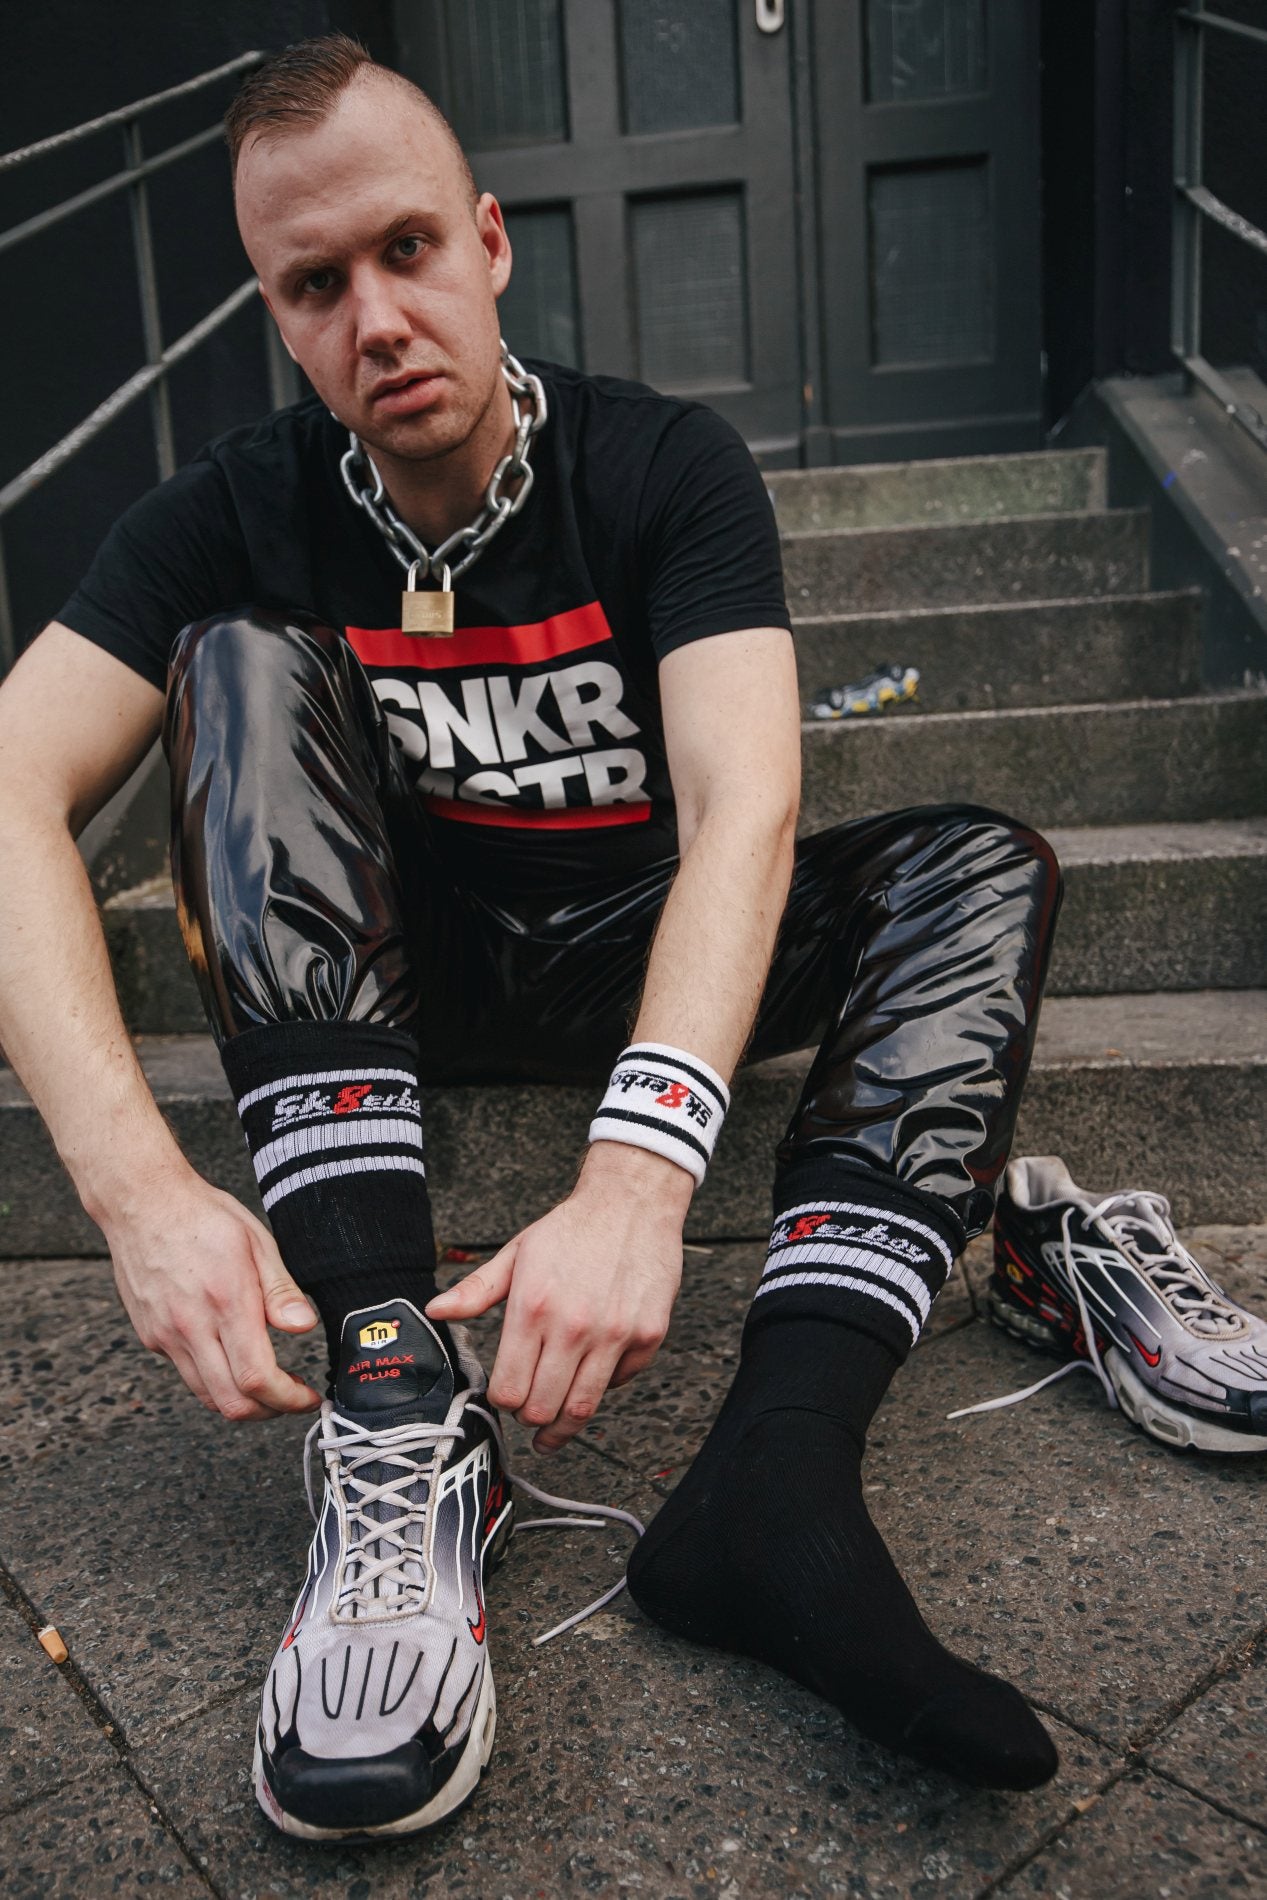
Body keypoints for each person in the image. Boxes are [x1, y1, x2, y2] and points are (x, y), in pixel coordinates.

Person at [0, 36, 1065, 1840]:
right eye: (316, 287)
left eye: (409, 249)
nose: (378, 320)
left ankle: (780, 1474)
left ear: (491, 241)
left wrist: (642, 1175)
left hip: (641, 955)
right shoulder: (233, 510)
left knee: (977, 868)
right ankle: (396, 1400)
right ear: (277, 318)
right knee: (237, 661)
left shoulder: (661, 465)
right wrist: (138, 1193)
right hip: (390, 975)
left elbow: (746, 805)